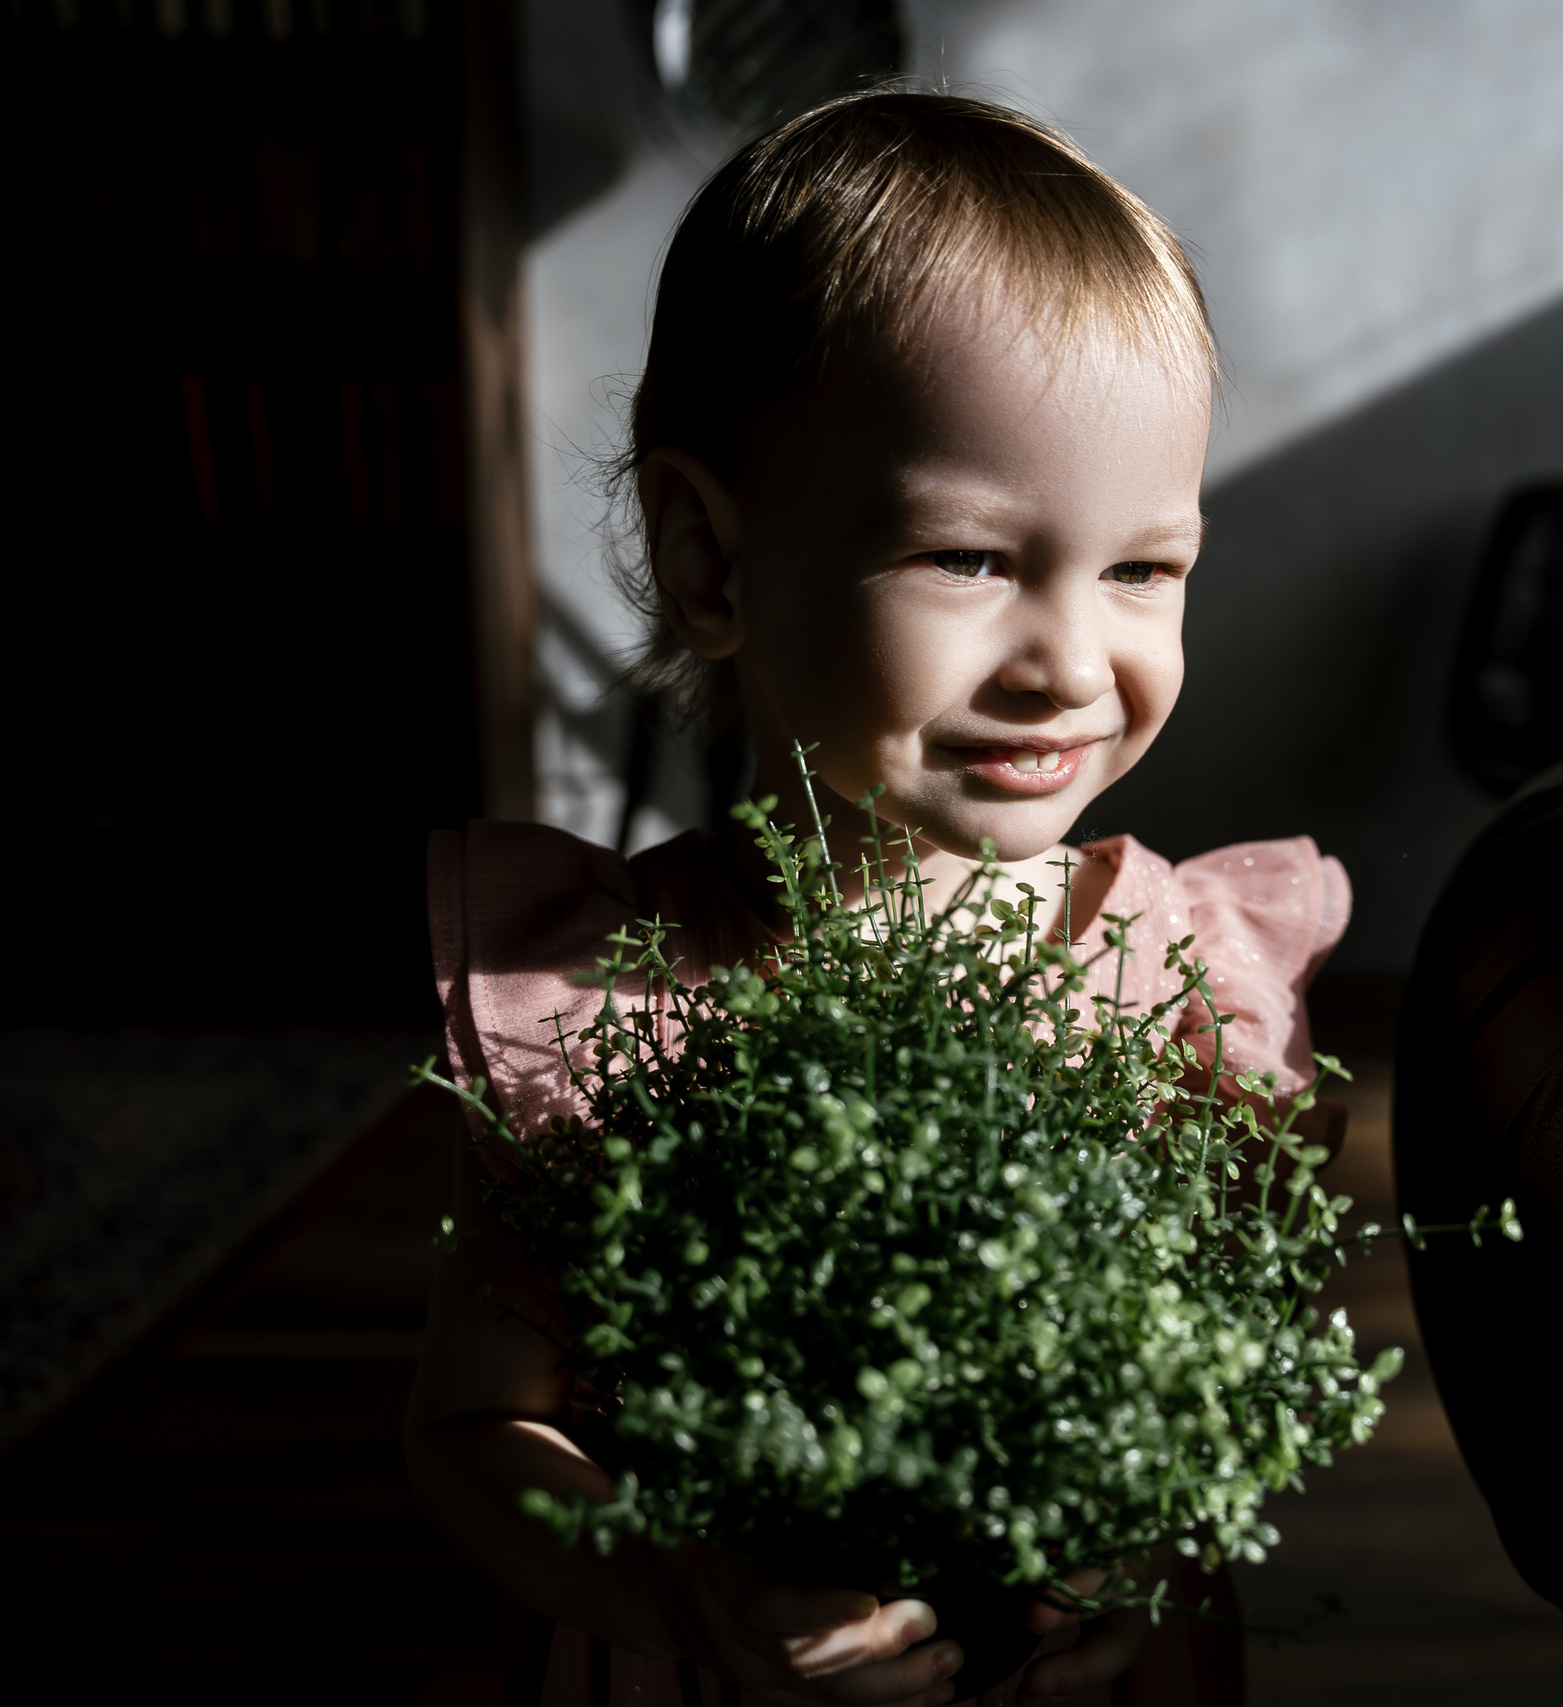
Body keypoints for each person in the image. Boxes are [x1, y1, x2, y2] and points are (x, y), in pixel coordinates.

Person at [407, 92, 1350, 1707]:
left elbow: (1232, 1400)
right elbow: (478, 1428)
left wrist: (1135, 1560)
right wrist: (675, 1588)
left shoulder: (1195, 997)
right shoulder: (614, 1000)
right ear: (712, 564)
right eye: (970, 560)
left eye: (1141, 569)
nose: (1069, 662)